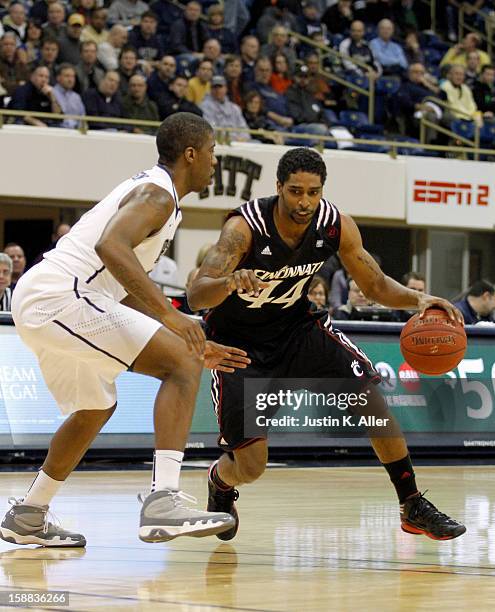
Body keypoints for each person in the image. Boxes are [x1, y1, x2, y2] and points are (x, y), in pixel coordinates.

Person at [187, 147, 466, 543]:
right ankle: (220, 480)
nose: (304, 202)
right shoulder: (244, 229)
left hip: (298, 331)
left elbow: (374, 284)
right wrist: (231, 280)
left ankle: (412, 504)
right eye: (295, 191)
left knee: (368, 397)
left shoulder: (335, 225)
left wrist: (418, 299)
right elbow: (197, 295)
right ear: (278, 187)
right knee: (251, 467)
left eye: (313, 192)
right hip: (239, 345)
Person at [0, 112, 249, 548]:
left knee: (96, 406)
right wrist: (174, 324)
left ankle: (29, 513)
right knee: (182, 364)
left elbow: (123, 286)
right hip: (61, 296)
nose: (214, 162)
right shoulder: (158, 194)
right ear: (191, 154)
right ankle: (163, 501)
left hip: (55, 298)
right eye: (211, 152)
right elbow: (109, 246)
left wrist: (184, 329)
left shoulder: (160, 196)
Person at [199, 75, 251, 142]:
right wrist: (233, 138)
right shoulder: (204, 106)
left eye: (220, 87)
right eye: (214, 87)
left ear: (226, 88)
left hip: (239, 142)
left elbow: (244, 128)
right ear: (210, 89)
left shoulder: (235, 108)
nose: (217, 90)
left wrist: (242, 138)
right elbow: (210, 130)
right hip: (217, 143)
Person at [53, 63, 86, 129]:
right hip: (58, 131)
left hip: (76, 133)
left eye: (72, 76)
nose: (70, 80)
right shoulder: (52, 93)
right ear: (58, 78)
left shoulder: (76, 97)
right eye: (67, 76)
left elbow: (82, 118)